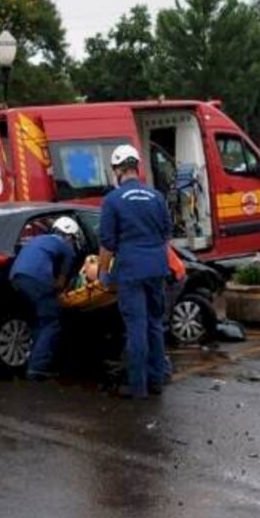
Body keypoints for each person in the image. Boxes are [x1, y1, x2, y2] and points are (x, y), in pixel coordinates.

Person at [98, 144, 173, 399]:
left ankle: (137, 387)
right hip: (157, 268)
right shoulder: (156, 197)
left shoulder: (113, 200)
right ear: (136, 167)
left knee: (136, 328)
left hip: (130, 271)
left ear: (118, 169)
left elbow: (107, 244)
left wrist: (102, 273)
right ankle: (156, 381)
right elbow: (166, 235)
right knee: (155, 325)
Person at [10, 216, 80, 381]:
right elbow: (62, 280)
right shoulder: (65, 247)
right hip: (37, 281)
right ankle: (37, 368)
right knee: (52, 321)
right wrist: (61, 291)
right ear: (69, 235)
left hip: (16, 279)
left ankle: (30, 359)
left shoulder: (37, 239)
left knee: (38, 321)